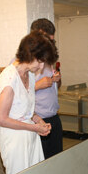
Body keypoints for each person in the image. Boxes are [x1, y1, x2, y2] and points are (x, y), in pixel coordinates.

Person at [0, 31, 58, 174]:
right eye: (39, 61)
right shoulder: (9, 80)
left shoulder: (30, 75)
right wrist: (33, 127)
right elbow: (1, 119)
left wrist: (39, 121)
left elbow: (24, 109)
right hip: (14, 139)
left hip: (30, 134)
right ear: (29, 55)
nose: (41, 67)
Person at [30, 18, 63, 159]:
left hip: (54, 118)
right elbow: (16, 94)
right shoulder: (22, 61)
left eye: (52, 41)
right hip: (38, 120)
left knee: (56, 160)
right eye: (47, 40)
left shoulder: (49, 58)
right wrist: (38, 85)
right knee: (41, 162)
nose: (50, 44)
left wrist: (57, 79)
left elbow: (55, 87)